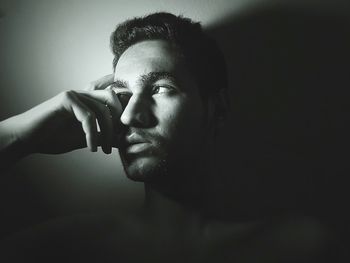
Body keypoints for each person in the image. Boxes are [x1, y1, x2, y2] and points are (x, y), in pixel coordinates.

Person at [0, 12, 341, 262]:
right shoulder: (68, 247)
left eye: (161, 89)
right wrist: (18, 136)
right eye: (122, 95)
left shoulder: (296, 248)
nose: (131, 115)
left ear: (215, 107)